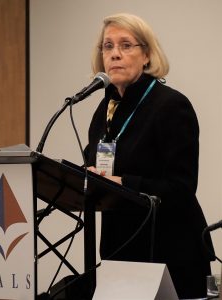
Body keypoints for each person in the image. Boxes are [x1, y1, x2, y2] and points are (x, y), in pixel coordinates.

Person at [84, 13, 215, 299]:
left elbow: (180, 188)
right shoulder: (104, 109)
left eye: (125, 45)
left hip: (171, 254)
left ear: (147, 55)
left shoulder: (171, 106)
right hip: (120, 252)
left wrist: (123, 183)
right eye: (107, 46)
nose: (115, 54)